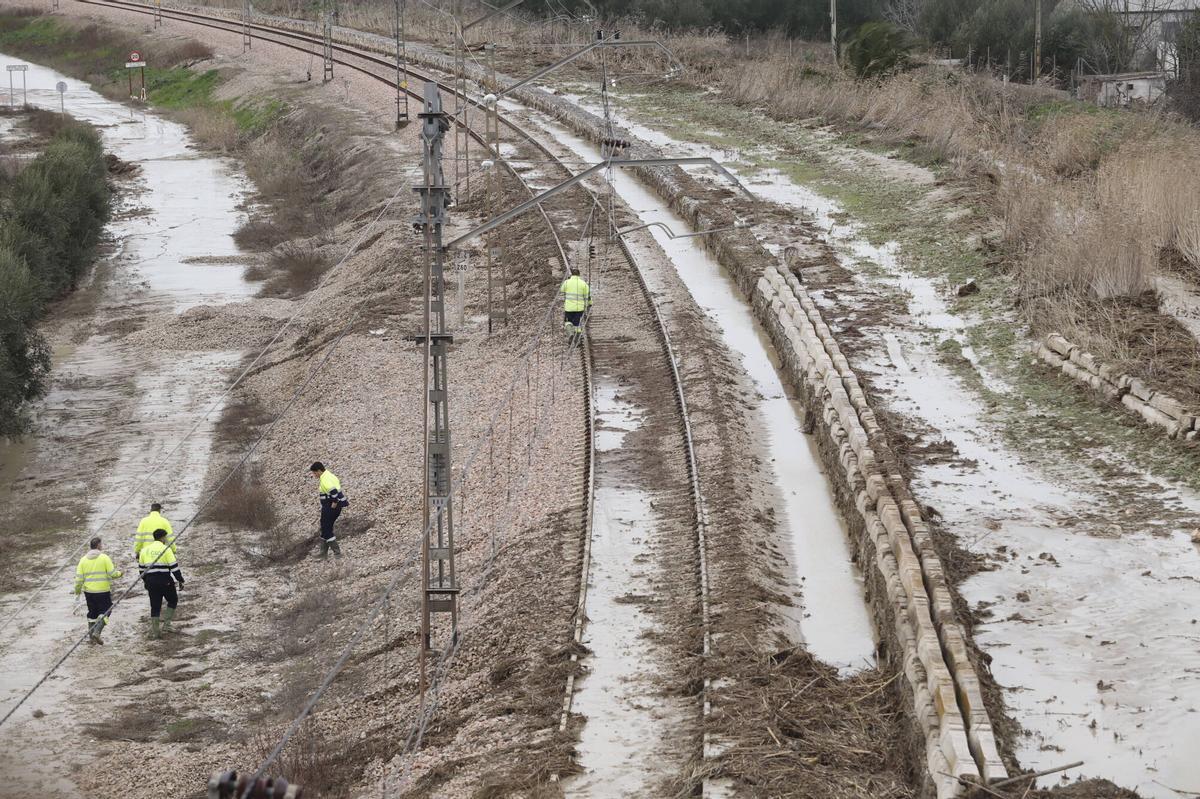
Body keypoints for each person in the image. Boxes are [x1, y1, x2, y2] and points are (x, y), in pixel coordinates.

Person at [74, 537, 122, 645]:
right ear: (99, 545)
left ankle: (91, 639)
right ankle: (97, 632)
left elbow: (78, 580)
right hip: (103, 591)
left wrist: (77, 593)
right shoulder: (104, 558)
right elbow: (112, 574)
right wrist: (120, 573)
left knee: (92, 613)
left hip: (89, 593)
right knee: (106, 611)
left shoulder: (83, 560)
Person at [139, 528, 184, 639]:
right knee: (173, 600)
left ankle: (155, 631)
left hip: (151, 582)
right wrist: (180, 580)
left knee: (155, 606)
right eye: (166, 537)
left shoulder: (144, 550)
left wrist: (146, 582)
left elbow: (141, 570)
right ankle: (167, 625)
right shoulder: (166, 549)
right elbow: (174, 567)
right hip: (165, 581)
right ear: (163, 538)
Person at [310, 461, 348, 559]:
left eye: (314, 473)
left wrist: (334, 502)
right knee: (325, 527)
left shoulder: (325, 479)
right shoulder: (330, 475)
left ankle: (337, 553)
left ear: (319, 471)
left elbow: (333, 491)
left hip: (330, 507)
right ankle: (323, 553)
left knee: (326, 529)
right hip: (333, 507)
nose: (314, 475)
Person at [560, 266, 592, 337]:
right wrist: (589, 304)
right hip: (579, 308)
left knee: (567, 322)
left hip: (569, 308)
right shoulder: (583, 284)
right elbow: (588, 296)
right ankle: (578, 337)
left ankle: (571, 334)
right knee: (577, 323)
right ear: (579, 275)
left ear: (571, 275)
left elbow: (561, 290)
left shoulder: (567, 282)